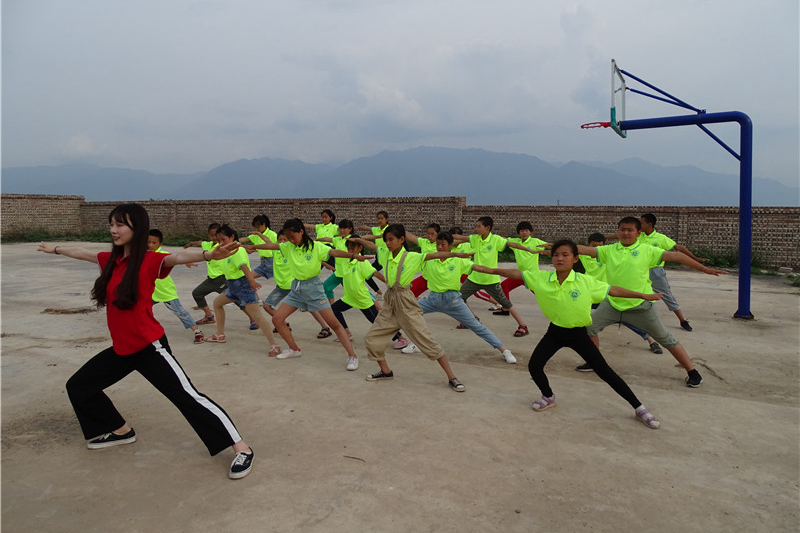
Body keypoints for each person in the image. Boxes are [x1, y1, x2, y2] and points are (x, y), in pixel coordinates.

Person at [38, 203, 254, 479]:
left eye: (120, 224)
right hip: (122, 349)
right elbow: (82, 252)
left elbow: (178, 256)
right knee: (79, 386)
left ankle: (242, 448)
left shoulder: (150, 260)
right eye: (111, 224)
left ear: (137, 228)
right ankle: (121, 431)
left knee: (187, 397)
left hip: (150, 347)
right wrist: (55, 249)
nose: (113, 230)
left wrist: (209, 254)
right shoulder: (111, 260)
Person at [471, 239, 663, 429]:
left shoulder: (585, 281)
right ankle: (548, 396)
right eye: (556, 255)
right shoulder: (542, 278)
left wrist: (643, 295)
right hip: (555, 332)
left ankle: (639, 408)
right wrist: (491, 270)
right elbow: (517, 273)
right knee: (534, 366)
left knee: (605, 371)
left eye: (565, 255)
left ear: (575, 259)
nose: (560, 258)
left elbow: (613, 290)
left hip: (579, 335)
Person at [575, 216, 726, 387]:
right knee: (588, 330)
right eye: (622, 229)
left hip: (641, 307)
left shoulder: (647, 251)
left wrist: (703, 268)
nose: (626, 233)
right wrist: (561, 246)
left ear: (638, 233)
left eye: (630, 230)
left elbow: (677, 255)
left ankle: (692, 372)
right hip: (612, 305)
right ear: (618, 231)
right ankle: (595, 362)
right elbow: (584, 250)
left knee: (666, 339)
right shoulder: (608, 250)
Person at [249, 218, 372, 371]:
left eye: (292, 236)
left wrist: (353, 256)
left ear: (301, 231)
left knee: (334, 323)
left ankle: (352, 356)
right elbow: (271, 245)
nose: (290, 240)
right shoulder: (289, 246)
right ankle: (294, 349)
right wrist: (251, 246)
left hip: (314, 288)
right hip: (297, 288)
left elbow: (333, 252)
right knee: (277, 319)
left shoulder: (315, 247)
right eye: (287, 237)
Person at [362, 224, 473, 392]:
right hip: (390, 303)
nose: (388, 243)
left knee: (426, 340)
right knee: (372, 338)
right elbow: (372, 245)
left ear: (401, 239)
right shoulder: (385, 254)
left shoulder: (412, 257)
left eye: (391, 239)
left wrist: (457, 254)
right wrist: (357, 241)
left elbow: (435, 255)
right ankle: (386, 371)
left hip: (406, 302)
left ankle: (452, 377)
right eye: (386, 240)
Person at [401, 231, 519, 364]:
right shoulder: (429, 260)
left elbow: (480, 268)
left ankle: (504, 350)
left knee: (477, 326)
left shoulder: (458, 261)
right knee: (406, 314)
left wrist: (498, 271)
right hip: (432, 300)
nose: (439, 247)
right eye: (437, 244)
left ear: (450, 245)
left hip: (454, 301)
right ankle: (416, 343)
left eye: (443, 244)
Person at [574, 232, 665, 362]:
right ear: (588, 245)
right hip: (590, 294)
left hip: (607, 294)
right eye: (594, 245)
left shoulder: (607, 255)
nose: (597, 248)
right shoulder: (583, 257)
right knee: (584, 321)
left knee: (626, 319)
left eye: (600, 245)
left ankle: (650, 339)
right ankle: (593, 358)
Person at [203, 224, 282, 356]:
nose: (221, 243)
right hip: (232, 287)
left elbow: (244, 266)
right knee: (217, 303)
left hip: (243, 286)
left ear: (232, 237)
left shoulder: (237, 250)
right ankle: (220, 334)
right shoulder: (226, 251)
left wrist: (251, 281)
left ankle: (274, 345)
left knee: (257, 316)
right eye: (219, 240)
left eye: (223, 239)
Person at [453, 216, 539, 337]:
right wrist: (440, 237)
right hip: (474, 278)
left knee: (506, 304)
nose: (476, 229)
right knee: (459, 298)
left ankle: (522, 326)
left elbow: (513, 244)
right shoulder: (475, 238)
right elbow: (460, 238)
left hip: (491, 280)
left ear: (487, 228)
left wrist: (530, 250)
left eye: (479, 226)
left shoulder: (495, 239)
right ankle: (472, 319)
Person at [639, 213, 708, 331]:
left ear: (649, 224)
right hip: (639, 270)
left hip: (655, 272)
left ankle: (682, 320)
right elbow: (619, 236)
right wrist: (605, 238)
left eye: (641, 223)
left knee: (667, 295)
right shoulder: (638, 235)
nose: (639, 225)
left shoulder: (661, 238)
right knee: (634, 293)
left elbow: (679, 248)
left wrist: (695, 258)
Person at [148, 229, 205, 344]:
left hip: (166, 292)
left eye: (154, 243)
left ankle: (197, 332)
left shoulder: (163, 255)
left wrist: (187, 261)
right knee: (140, 310)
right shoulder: (145, 255)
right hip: (151, 292)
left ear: (160, 244)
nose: (151, 245)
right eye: (148, 242)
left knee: (180, 312)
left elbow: (177, 258)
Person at [489, 221, 547, 316]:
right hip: (519, 275)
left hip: (531, 276)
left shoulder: (536, 242)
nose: (524, 233)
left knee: (542, 294)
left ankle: (556, 308)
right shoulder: (516, 242)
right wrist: (491, 237)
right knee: (504, 286)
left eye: (526, 230)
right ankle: (506, 309)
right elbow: (503, 239)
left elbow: (548, 246)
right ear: (518, 232)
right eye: (522, 231)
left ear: (530, 231)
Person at [183, 223, 226, 325]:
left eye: (216, 235)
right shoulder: (207, 245)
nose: (214, 238)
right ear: (208, 235)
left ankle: (253, 319)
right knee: (197, 293)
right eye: (211, 235)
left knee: (235, 298)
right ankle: (209, 316)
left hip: (223, 279)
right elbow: (201, 243)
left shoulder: (223, 246)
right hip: (211, 280)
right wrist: (191, 244)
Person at [355, 210, 389, 296]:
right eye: (378, 218)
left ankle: (405, 291)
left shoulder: (390, 229)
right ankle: (379, 292)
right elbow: (366, 227)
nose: (380, 220)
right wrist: (357, 228)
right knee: (367, 274)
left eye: (382, 218)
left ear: (386, 219)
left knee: (392, 277)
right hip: (379, 256)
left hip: (388, 256)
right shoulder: (376, 229)